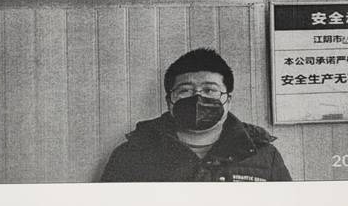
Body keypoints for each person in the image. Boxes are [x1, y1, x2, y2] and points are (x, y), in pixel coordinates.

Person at [100, 47, 292, 182]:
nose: (198, 98)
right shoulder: (131, 154)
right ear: (169, 101)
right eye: (185, 90)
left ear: (228, 100)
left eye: (210, 90)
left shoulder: (265, 156)